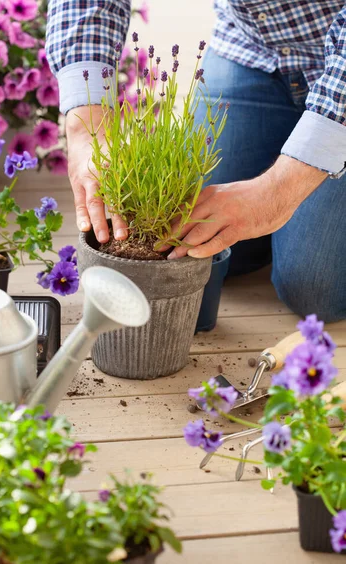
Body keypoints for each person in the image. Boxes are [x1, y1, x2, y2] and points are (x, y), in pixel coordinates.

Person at [46, 1, 346, 325]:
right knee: (204, 236)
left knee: (313, 290)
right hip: (254, 45)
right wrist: (83, 123)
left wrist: (280, 189)